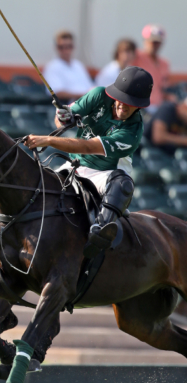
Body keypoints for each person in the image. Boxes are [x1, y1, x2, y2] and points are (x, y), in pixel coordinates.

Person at [24, 66, 153, 257]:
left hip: (105, 173)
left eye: (130, 103)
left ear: (139, 106)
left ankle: (101, 231)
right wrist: (64, 118)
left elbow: (86, 146)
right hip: (74, 164)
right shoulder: (99, 95)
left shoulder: (132, 132)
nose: (122, 106)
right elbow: (64, 117)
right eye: (120, 99)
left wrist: (49, 140)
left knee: (123, 184)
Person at [43, 31, 94, 103]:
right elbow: (56, 92)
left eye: (69, 46)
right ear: (57, 48)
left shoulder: (78, 65)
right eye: (62, 47)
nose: (66, 50)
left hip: (88, 102)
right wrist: (82, 95)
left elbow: (89, 86)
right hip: (70, 106)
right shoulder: (52, 67)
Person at [134, 25, 170, 111]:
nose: (155, 45)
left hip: (159, 106)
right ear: (145, 41)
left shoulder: (164, 63)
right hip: (141, 105)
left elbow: (163, 87)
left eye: (157, 42)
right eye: (152, 41)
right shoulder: (136, 57)